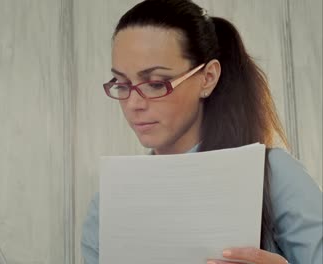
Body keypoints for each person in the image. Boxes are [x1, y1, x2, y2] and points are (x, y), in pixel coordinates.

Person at [81, 0, 323, 263]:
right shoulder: (108, 204)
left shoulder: (274, 174)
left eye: (155, 84)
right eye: (122, 83)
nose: (134, 104)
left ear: (207, 78)